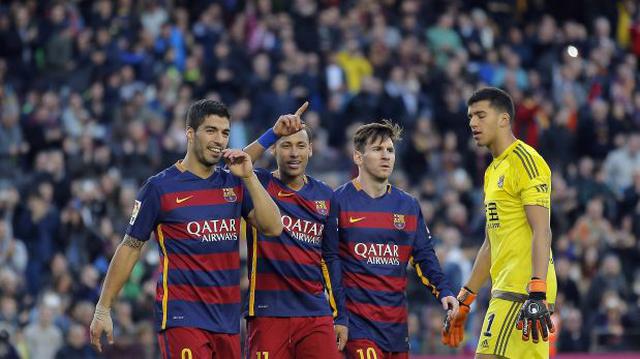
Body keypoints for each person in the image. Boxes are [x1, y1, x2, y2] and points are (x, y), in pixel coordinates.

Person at [89, 99, 283, 358]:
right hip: (182, 317)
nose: (219, 139)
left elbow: (273, 227)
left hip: (227, 320)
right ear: (190, 134)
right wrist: (103, 307)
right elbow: (131, 247)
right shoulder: (160, 188)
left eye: (225, 133)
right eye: (211, 130)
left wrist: (249, 177)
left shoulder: (233, 183)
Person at [442, 87, 557, 358]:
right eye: (470, 117)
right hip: (507, 287)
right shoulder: (493, 171)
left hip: (522, 289)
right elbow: (491, 242)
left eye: (481, 115)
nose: (473, 123)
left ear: (504, 119)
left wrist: (537, 291)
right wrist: (465, 299)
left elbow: (542, 229)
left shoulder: (526, 161)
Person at [329, 120, 458, 358]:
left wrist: (444, 290)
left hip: (397, 328)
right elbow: (329, 262)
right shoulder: (338, 202)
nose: (386, 156)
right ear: (358, 157)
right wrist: (339, 316)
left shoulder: (408, 205)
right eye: (377, 150)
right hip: (358, 326)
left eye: (390, 150)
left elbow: (424, 255)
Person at [241, 102, 348, 358]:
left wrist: (340, 315)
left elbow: (330, 258)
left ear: (310, 150)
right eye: (286, 146)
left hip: (314, 313)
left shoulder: (326, 196)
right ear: (274, 149)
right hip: (268, 312)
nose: (294, 153)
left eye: (301, 146)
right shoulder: (258, 183)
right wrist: (272, 133)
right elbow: (229, 169)